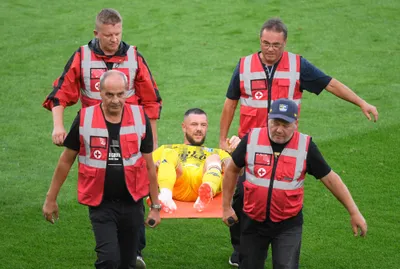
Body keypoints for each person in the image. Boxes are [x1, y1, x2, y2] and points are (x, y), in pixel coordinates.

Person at [219, 18, 378, 267]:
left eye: (276, 45)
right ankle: (241, 250)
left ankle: (279, 238)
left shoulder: (297, 65)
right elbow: (231, 101)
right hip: (250, 144)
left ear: (285, 43)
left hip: (286, 144)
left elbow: (330, 84)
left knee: (281, 193)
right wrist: (222, 138)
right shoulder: (244, 66)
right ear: (259, 41)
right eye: (265, 43)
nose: (270, 49)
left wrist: (361, 102)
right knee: (242, 198)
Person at [42, 8, 162, 267]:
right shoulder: (82, 56)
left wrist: (151, 140)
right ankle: (115, 252)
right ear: (96, 33)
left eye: (118, 34)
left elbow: (151, 99)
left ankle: (134, 252)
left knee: (134, 178)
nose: (114, 39)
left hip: (130, 132)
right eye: (108, 35)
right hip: (93, 134)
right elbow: (60, 93)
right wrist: (58, 126)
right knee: (105, 182)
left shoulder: (133, 56)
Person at [222, 98, 368, 269]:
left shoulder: (305, 146)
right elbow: (232, 169)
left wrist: (354, 211)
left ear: (296, 123)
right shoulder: (252, 139)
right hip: (253, 221)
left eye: (286, 125)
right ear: (268, 118)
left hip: (287, 225)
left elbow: (330, 179)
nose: (279, 130)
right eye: (275, 123)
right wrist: (226, 207)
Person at [152, 108, 240, 213]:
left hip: (203, 180)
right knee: (168, 153)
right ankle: (165, 195)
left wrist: (236, 153)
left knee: (214, 158)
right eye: (194, 124)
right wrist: (155, 165)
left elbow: (236, 171)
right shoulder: (167, 148)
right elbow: (143, 169)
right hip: (177, 183)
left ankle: (206, 192)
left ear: (207, 127)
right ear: (184, 127)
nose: (199, 129)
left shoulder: (217, 152)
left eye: (203, 125)